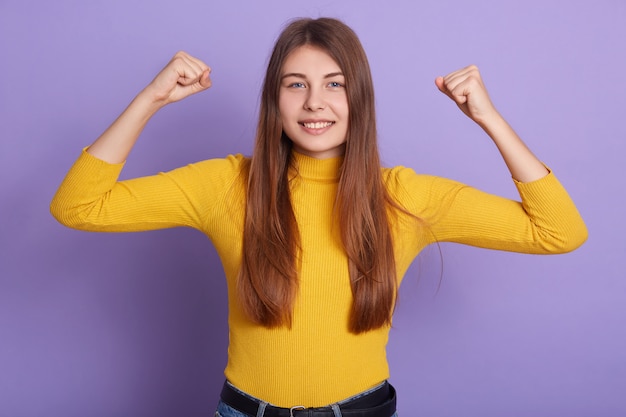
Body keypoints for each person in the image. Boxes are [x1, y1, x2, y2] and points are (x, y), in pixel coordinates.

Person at [50, 17, 587, 417]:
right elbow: (77, 206)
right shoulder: (225, 185)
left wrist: (489, 119)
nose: (314, 103)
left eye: (334, 83)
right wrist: (150, 98)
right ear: (274, 100)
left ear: (359, 98)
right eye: (295, 84)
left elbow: (560, 232)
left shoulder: (404, 196)